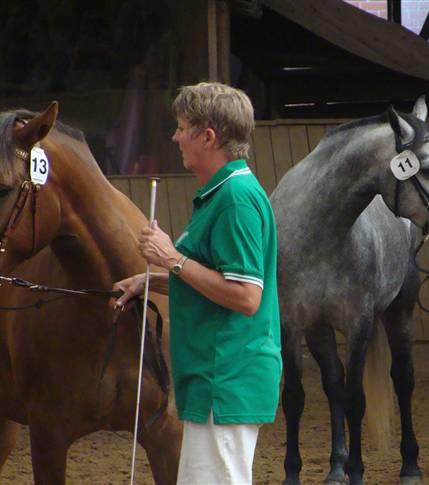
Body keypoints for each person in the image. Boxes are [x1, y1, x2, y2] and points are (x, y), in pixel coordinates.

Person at [113, 82, 282, 485]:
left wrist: (172, 258)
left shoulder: (236, 199)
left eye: (182, 127)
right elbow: (211, 279)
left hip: (226, 378)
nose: (174, 137)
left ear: (208, 136)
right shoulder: (222, 193)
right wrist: (151, 279)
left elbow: (245, 296)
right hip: (212, 379)